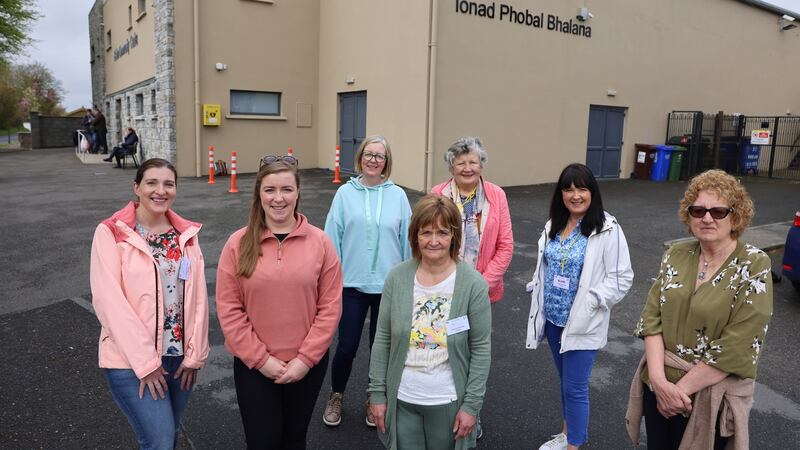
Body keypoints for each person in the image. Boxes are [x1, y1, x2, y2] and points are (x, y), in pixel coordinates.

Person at [626, 169, 773, 450]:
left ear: (735, 216)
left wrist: (676, 393)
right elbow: (651, 319)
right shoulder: (676, 254)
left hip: (706, 398)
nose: (707, 218)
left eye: (718, 211)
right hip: (658, 388)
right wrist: (658, 381)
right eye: (698, 210)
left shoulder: (754, 265)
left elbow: (739, 345)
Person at [215, 155, 343, 449]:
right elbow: (229, 309)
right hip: (254, 367)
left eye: (286, 189)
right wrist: (261, 360)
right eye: (270, 190)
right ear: (259, 194)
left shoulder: (321, 243)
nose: (278, 198)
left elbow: (330, 307)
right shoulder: (238, 244)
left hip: (306, 365)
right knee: (262, 441)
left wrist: (305, 360)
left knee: (294, 439)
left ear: (298, 193)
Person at [90, 158, 210, 449]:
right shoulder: (111, 232)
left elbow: (198, 298)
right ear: (136, 187)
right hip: (131, 362)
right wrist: (145, 364)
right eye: (151, 183)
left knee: (169, 434)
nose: (161, 191)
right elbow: (109, 302)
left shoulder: (186, 235)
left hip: (179, 359)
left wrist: (195, 355)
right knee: (160, 441)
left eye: (169, 184)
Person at [368, 195, 492, 450]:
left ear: (454, 236)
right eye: (426, 232)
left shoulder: (473, 284)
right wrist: (377, 393)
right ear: (415, 236)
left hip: (447, 400)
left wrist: (472, 406)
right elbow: (382, 339)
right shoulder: (397, 278)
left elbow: (481, 348)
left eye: (442, 232)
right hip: (402, 399)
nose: (433, 241)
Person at [525, 163, 633, 450]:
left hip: (582, 321)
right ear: (560, 194)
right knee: (566, 383)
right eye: (568, 189)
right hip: (553, 319)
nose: (575, 195)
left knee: (575, 388)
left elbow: (622, 278)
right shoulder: (555, 224)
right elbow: (547, 264)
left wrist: (594, 300)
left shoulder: (607, 228)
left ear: (592, 192)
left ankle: (574, 445)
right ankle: (567, 434)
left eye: (582, 189)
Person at [322, 135, 412, 428]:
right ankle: (336, 394)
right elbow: (332, 239)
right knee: (346, 346)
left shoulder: (398, 195)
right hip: (351, 285)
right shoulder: (344, 194)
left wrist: (410, 282)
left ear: (386, 162)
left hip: (389, 286)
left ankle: (375, 398)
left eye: (379, 156)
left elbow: (407, 241)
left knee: (380, 348)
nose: (373, 160)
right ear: (360, 158)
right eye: (369, 154)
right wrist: (330, 280)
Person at [431, 136, 513, 439]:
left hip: (482, 292)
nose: (467, 168)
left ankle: (471, 412)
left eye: (473, 162)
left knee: (475, 354)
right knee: (445, 350)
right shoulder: (438, 194)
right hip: (443, 289)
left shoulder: (496, 196)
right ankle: (443, 408)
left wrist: (480, 286)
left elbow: (505, 245)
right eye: (460, 162)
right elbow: (429, 241)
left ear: (482, 165)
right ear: (451, 166)